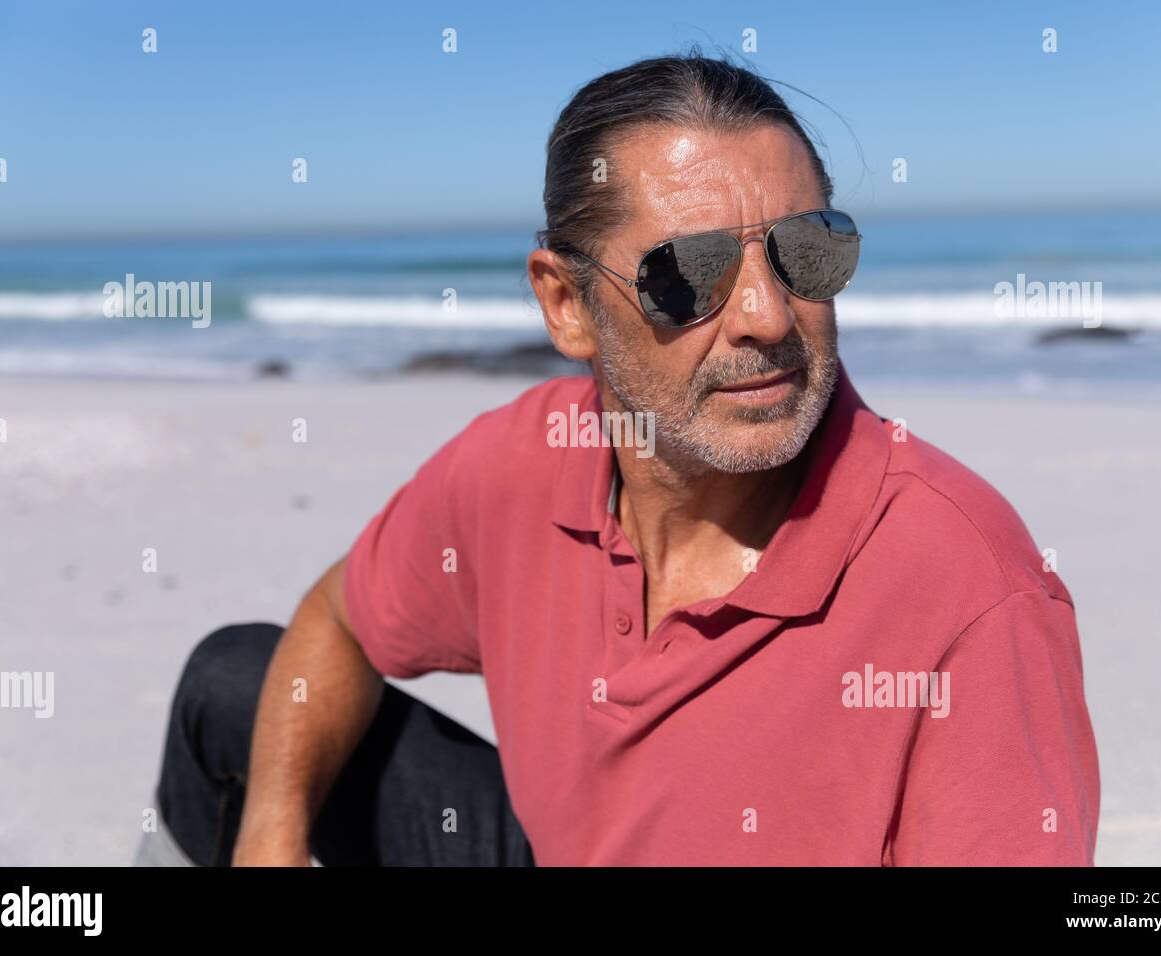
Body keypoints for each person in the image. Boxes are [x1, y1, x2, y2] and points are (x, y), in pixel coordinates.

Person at [136, 52, 1099, 867]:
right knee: (236, 682)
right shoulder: (518, 466)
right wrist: (270, 843)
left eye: (808, 252)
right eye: (688, 273)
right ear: (564, 305)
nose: (767, 318)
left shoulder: (968, 591)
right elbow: (339, 620)